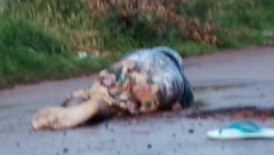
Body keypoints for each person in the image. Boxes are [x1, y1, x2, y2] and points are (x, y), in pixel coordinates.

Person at [31, 47, 193, 131]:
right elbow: (184, 101)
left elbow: (122, 66)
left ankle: (83, 100)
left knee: (108, 88)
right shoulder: (179, 72)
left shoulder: (140, 52)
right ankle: (94, 106)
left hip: (134, 62)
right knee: (132, 99)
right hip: (170, 78)